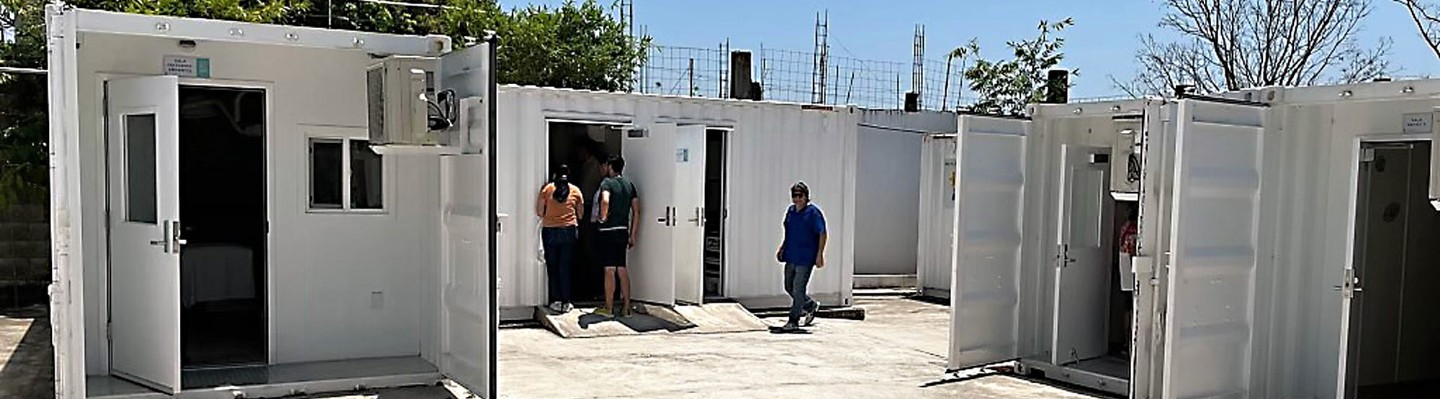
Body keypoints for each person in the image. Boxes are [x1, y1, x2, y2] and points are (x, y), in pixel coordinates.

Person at [776, 181, 827, 332]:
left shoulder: (813, 213)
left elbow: (822, 233)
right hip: (791, 255)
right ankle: (811, 305)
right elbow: (788, 232)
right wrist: (782, 247)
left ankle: (793, 320)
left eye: (800, 195)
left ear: (806, 196)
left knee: (798, 288)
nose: (797, 199)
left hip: (806, 257)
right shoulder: (791, 211)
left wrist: (820, 254)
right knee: (788, 286)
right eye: (794, 195)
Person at [593, 156, 640, 318]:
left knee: (609, 270)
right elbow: (636, 211)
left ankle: (609, 307)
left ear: (610, 167)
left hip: (608, 231)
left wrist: (603, 217)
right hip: (622, 230)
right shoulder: (629, 185)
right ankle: (627, 307)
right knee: (622, 268)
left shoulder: (607, 183)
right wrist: (633, 234)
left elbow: (605, 200)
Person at [536, 165, 583, 313]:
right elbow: (580, 214)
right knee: (565, 265)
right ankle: (566, 301)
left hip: (550, 230)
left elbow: (539, 211)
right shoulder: (576, 191)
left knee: (553, 266)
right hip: (569, 230)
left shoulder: (547, 189)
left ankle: (556, 300)